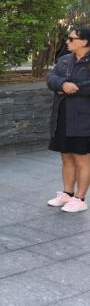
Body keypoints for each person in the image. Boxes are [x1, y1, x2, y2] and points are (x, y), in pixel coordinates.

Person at [46, 26, 90, 213]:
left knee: (82, 159)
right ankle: (67, 194)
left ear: (85, 42)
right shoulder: (64, 59)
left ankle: (80, 198)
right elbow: (51, 77)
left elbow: (84, 86)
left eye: (71, 39)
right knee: (66, 157)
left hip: (84, 119)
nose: (67, 42)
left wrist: (74, 88)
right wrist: (63, 84)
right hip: (62, 116)